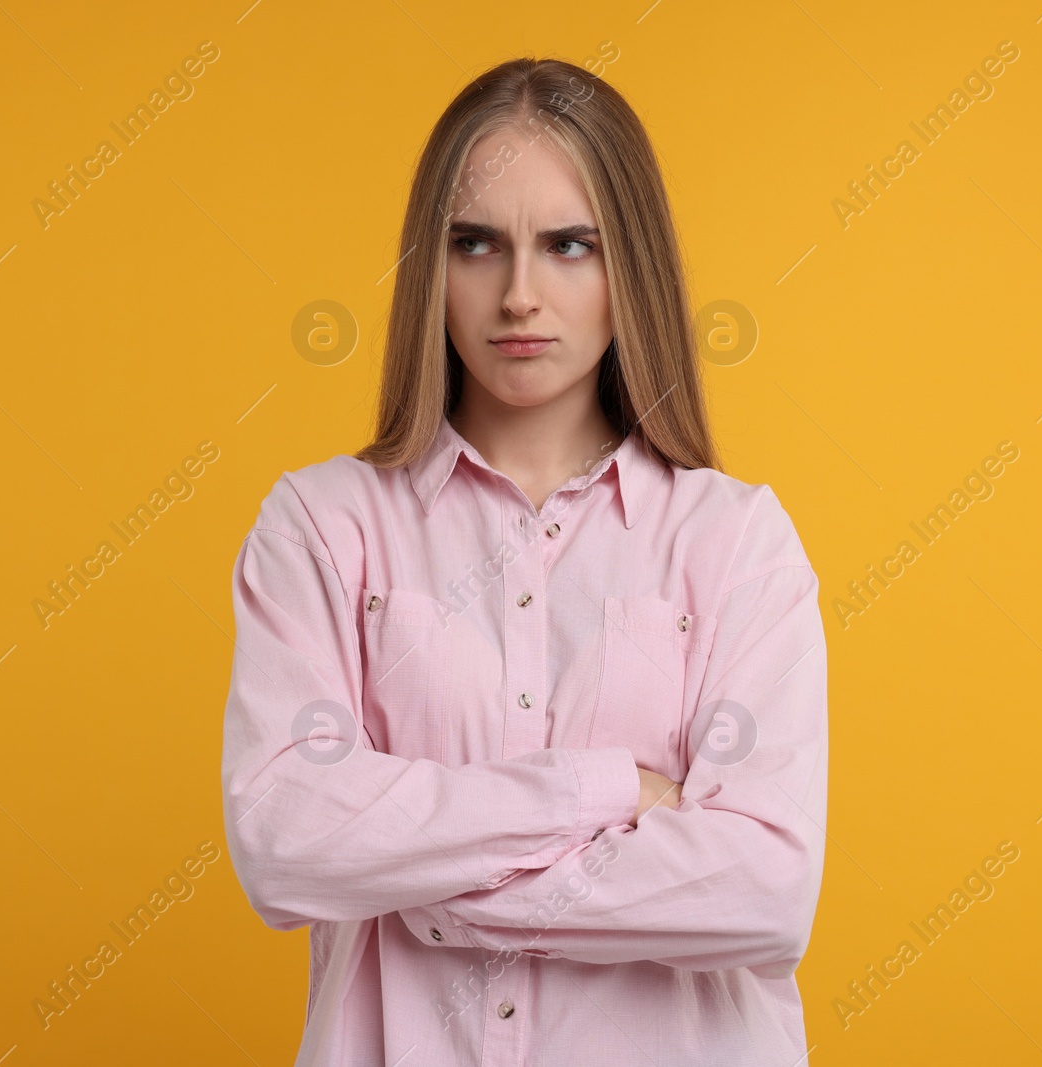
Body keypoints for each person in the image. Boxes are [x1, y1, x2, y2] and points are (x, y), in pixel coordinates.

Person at [221, 56, 828, 1066]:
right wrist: (604, 791)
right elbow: (285, 841)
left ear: (627, 262)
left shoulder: (735, 540)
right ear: (432, 263)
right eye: (476, 244)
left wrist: (424, 881)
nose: (517, 294)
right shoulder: (321, 526)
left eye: (568, 245)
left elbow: (762, 890)